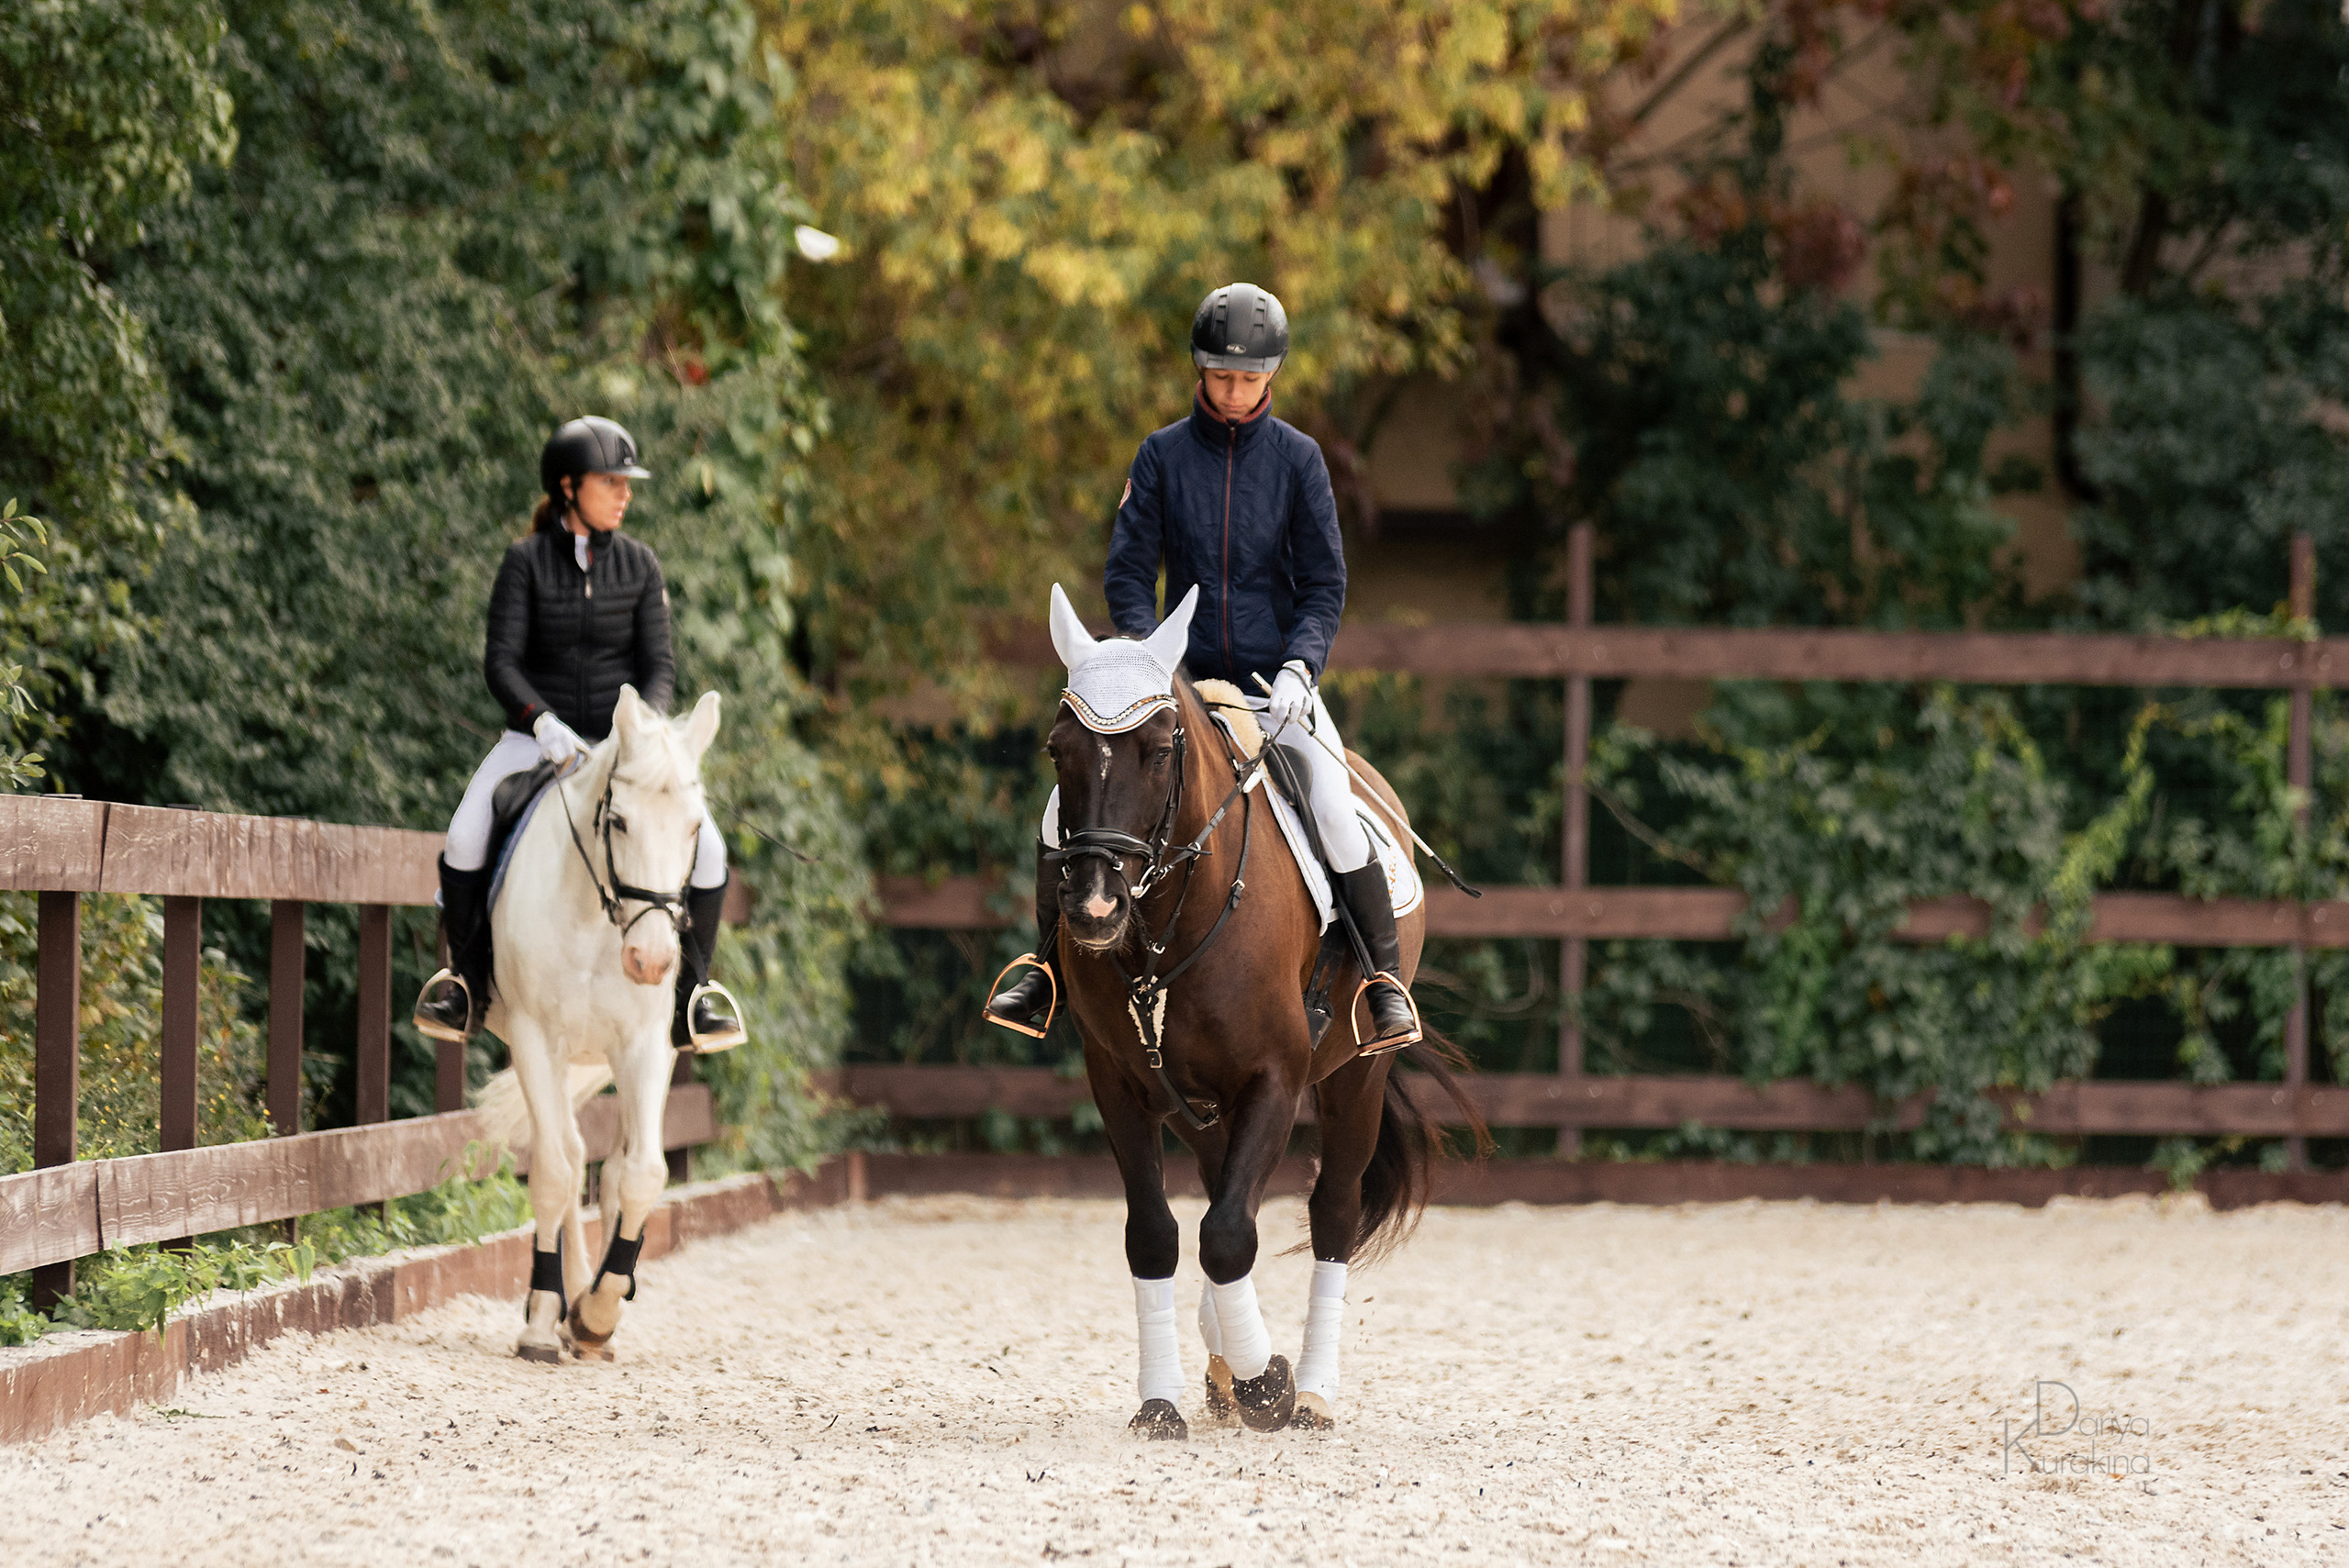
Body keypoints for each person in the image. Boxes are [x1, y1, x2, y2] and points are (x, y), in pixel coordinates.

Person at [984, 284, 1420, 1051]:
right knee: (1062, 812)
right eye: (1222, 376)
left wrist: (1299, 666)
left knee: (1329, 798)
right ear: (1200, 369)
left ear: (1271, 376)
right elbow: (1127, 573)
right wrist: (1150, 661)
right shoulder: (1159, 456)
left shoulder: (1299, 462)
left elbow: (1324, 585)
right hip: (1172, 685)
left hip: (1268, 686)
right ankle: (1045, 972)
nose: (1234, 390)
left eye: (1250, 378)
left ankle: (1382, 983)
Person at [411, 416, 746, 1053]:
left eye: (627, 482)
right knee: (463, 837)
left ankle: (692, 998)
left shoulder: (641, 566)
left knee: (709, 853)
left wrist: (640, 734)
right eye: (609, 481)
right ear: (568, 487)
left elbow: (660, 666)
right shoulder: (525, 564)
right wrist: (541, 721)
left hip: (623, 748)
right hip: (536, 740)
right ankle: (466, 986)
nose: (624, 493)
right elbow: (500, 661)